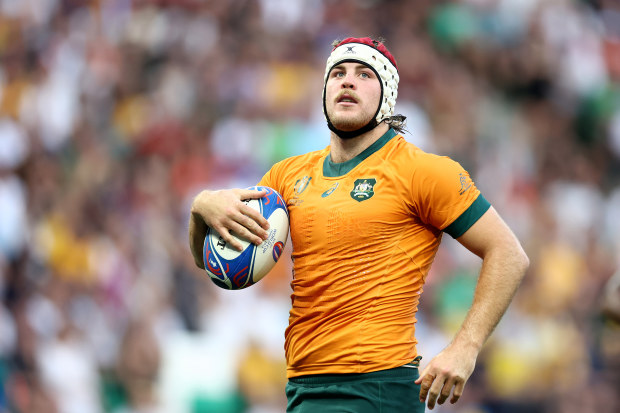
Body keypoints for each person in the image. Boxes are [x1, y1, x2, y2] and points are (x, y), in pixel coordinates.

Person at [189, 37, 529, 412]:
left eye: (364, 74)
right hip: (304, 388)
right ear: (324, 93)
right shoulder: (284, 177)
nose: (347, 81)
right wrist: (202, 207)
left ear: (387, 96)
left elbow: (508, 253)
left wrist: (466, 347)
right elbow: (213, 265)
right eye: (337, 73)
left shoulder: (424, 172)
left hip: (377, 386)